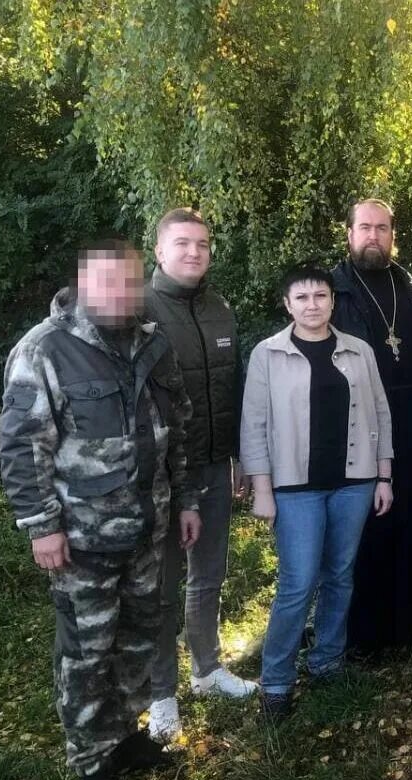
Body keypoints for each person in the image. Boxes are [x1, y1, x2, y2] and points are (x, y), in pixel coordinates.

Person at [0, 240, 202, 780]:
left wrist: (184, 499)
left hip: (147, 527)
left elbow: (176, 431)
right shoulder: (45, 349)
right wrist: (41, 525)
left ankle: (126, 736)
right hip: (80, 539)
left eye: (128, 282)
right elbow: (22, 446)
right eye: (106, 282)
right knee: (87, 653)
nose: (118, 293)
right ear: (83, 284)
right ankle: (91, 766)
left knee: (137, 639)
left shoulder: (153, 344)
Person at [240, 263, 394, 721]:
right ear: (287, 305)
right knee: (297, 583)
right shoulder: (266, 354)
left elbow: (381, 413)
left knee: (340, 576)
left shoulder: (359, 351)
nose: (313, 305)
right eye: (302, 298)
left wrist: (383, 476)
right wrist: (261, 489)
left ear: (332, 301)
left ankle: (327, 661)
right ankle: (277, 683)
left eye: (321, 296)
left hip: (354, 482)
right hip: (295, 488)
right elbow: (254, 426)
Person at [144, 208, 258, 742]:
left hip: (213, 465)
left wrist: (236, 456)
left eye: (203, 244)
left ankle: (208, 669)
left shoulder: (221, 310)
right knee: (162, 587)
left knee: (208, 574)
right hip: (159, 478)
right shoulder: (138, 311)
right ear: (159, 251)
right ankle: (161, 695)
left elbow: (230, 392)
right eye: (183, 244)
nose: (194, 252)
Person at [330, 199, 412, 653]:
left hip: (410, 420)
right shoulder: (332, 292)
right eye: (365, 227)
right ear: (349, 234)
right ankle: (368, 635)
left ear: (393, 234)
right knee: (367, 525)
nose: (373, 236)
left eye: (382, 228)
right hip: (355, 426)